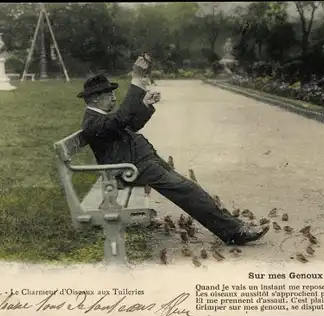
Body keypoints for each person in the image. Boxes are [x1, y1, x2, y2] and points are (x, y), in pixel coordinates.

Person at [78, 56, 269, 246]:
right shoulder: (92, 122)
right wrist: (136, 78)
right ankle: (234, 231)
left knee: (188, 187)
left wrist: (145, 104)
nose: (113, 97)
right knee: (186, 189)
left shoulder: (99, 117)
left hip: (139, 161)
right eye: (108, 94)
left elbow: (131, 125)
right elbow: (122, 119)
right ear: (95, 98)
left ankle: (232, 227)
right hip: (129, 169)